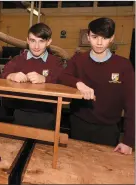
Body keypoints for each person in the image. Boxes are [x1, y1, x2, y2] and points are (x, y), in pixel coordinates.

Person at [59, 17, 134, 154]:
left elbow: (132, 104)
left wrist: (128, 140)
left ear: (112, 38)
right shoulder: (78, 60)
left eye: (105, 38)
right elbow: (63, 76)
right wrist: (79, 83)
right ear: (88, 37)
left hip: (108, 129)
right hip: (79, 124)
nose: (99, 42)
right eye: (95, 37)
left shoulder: (124, 66)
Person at [1, 23, 64, 130]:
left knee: (43, 146)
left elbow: (63, 80)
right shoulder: (18, 60)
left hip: (46, 115)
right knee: (18, 143)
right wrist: (11, 75)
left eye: (41, 41)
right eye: (33, 40)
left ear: (48, 42)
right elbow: (2, 75)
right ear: (27, 40)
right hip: (20, 112)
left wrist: (45, 79)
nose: (36, 46)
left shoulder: (56, 62)